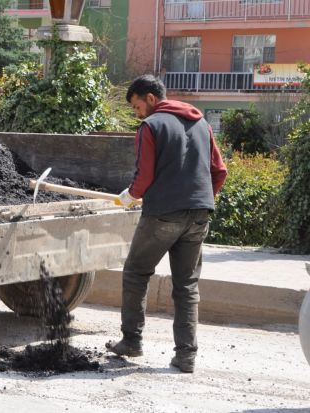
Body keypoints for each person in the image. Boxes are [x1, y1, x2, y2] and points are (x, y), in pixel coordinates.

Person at [106, 75, 228, 373]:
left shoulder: (151, 126)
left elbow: (144, 177)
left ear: (150, 98)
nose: (137, 113)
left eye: (137, 106)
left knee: (136, 272)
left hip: (163, 214)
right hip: (199, 213)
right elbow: (220, 171)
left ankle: (132, 341)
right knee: (186, 285)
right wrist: (200, 199)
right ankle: (186, 356)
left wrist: (130, 195)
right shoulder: (202, 123)